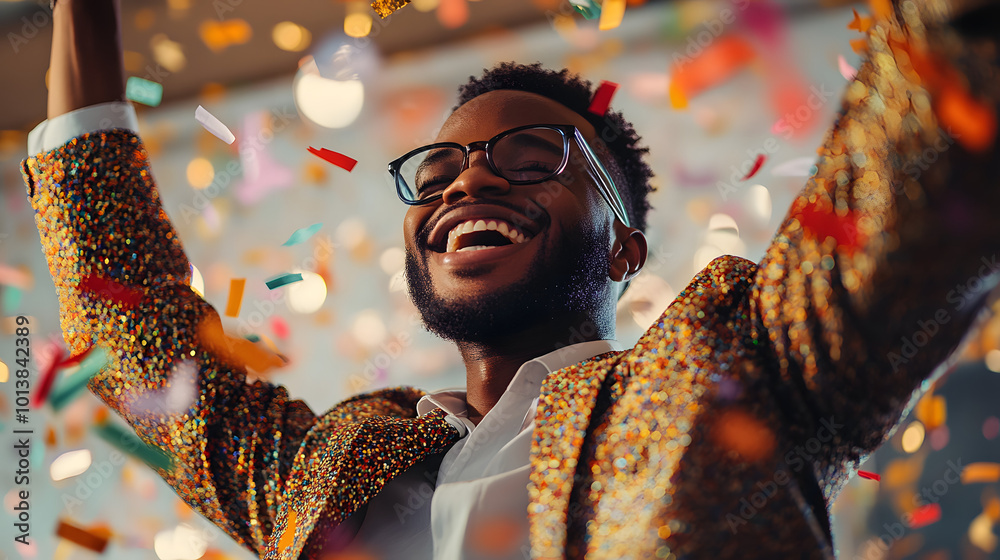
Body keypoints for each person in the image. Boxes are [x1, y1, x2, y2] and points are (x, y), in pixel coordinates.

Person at [22, 0, 999, 558]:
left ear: (623, 249)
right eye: (438, 171)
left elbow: (919, 154)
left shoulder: (736, 360)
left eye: (536, 156)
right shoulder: (328, 465)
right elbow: (133, 328)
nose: (473, 177)